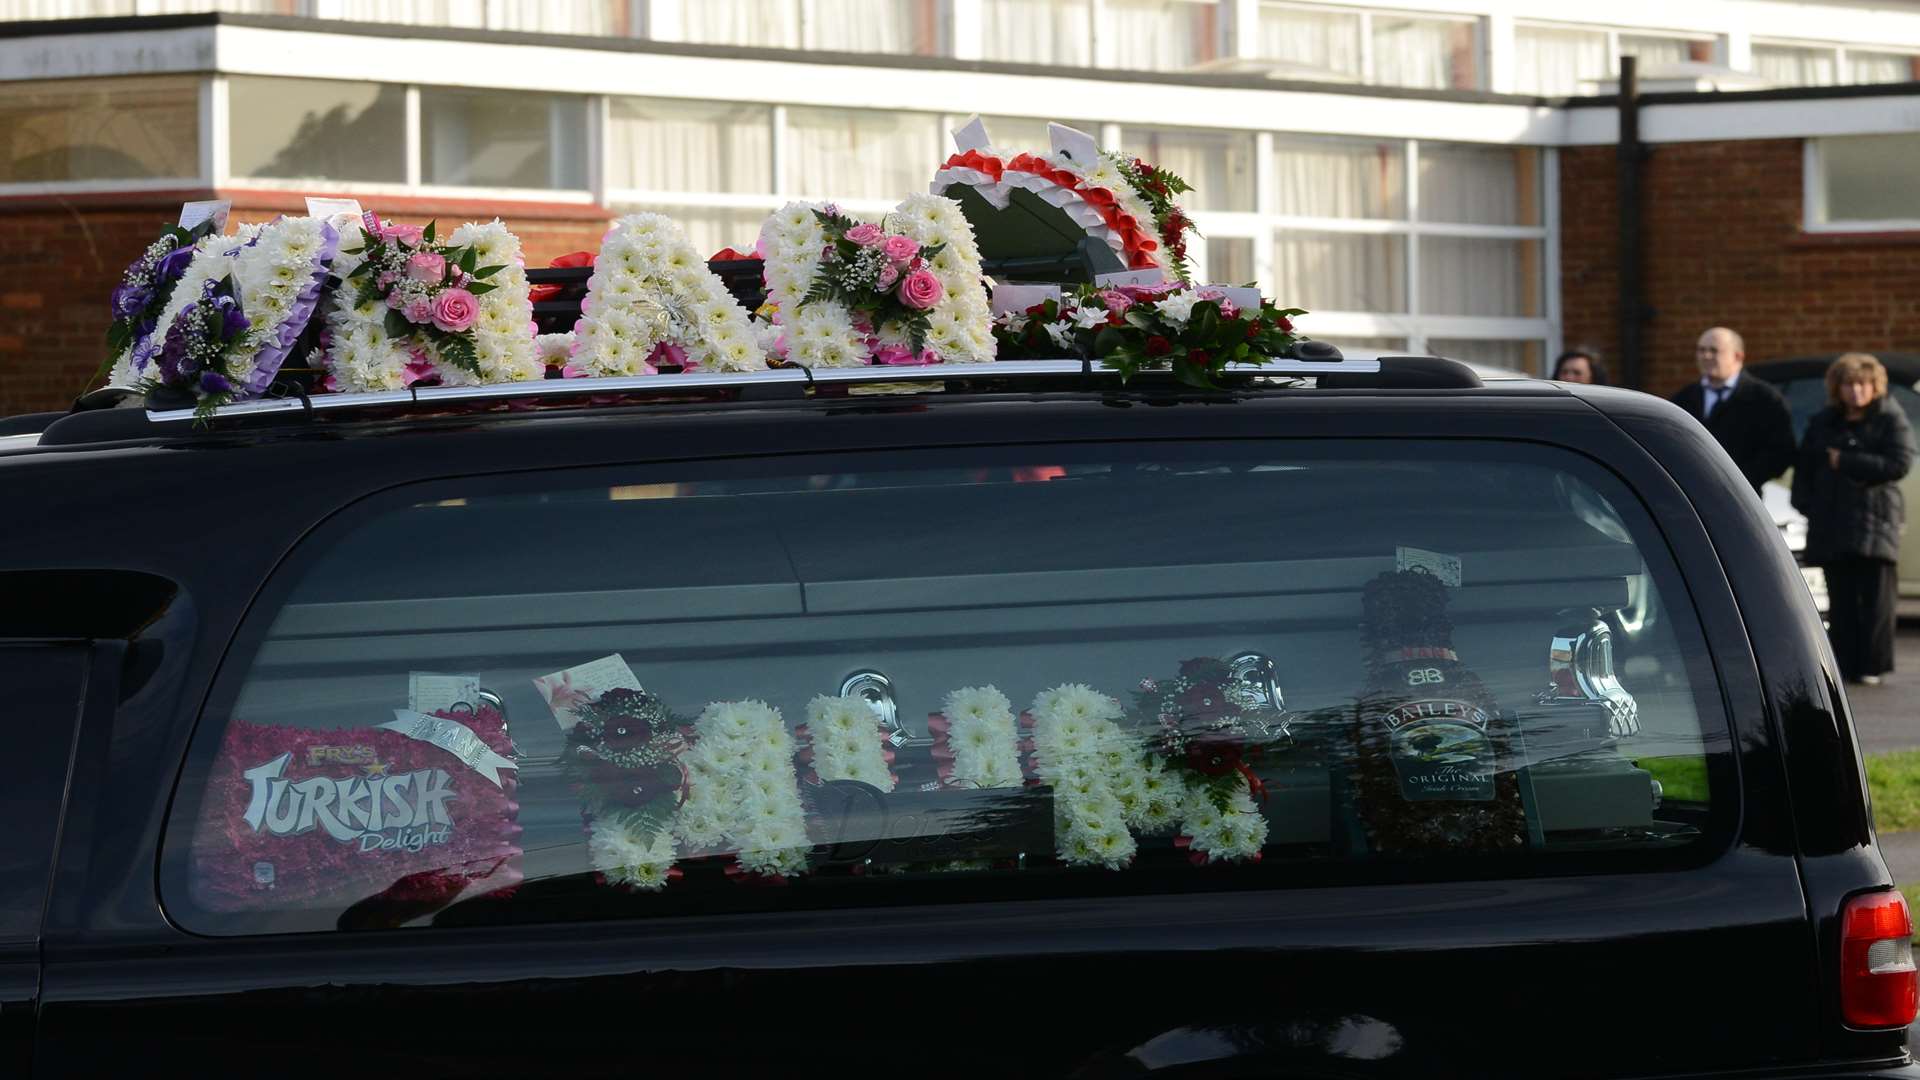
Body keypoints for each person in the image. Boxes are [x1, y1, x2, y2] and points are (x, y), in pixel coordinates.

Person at [1792, 353, 1915, 686]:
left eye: (1862, 384)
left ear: (1875, 386)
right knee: (1841, 597)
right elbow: (1806, 466)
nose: (1856, 391)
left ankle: (1872, 665)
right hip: (1832, 520)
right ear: (1837, 387)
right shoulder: (1823, 421)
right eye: (1849, 384)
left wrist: (1846, 460)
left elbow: (1899, 463)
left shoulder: (1889, 418)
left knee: (1875, 599)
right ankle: (1844, 665)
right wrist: (1805, 503)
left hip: (1875, 520)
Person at [1670, 327, 1796, 494]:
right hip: (1691, 494)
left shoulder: (1764, 399)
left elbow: (1781, 451)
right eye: (1701, 350)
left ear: (1738, 356)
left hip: (1741, 497)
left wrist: (1739, 479)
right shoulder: (1683, 399)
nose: (1706, 356)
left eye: (1714, 351)